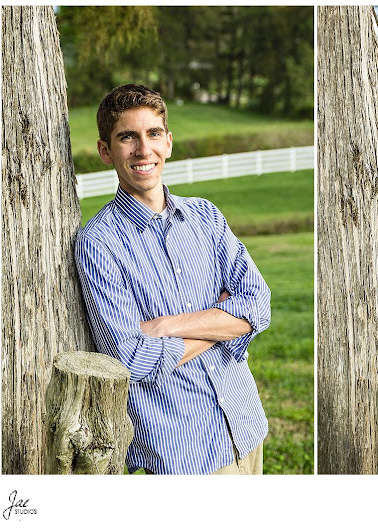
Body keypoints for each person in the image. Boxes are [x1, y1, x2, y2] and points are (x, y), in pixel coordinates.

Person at [75, 84, 271, 475]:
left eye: (152, 134)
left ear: (168, 142)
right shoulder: (99, 243)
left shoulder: (206, 217)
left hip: (246, 425)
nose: (142, 150)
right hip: (182, 453)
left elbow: (258, 304)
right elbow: (130, 357)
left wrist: (167, 327)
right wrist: (218, 321)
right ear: (105, 150)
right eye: (127, 137)